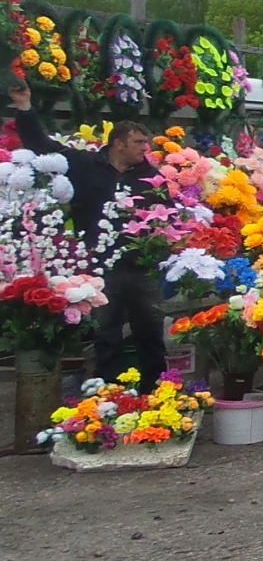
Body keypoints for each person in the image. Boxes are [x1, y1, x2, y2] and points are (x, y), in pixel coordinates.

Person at [8, 81, 162, 381]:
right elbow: (41, 145)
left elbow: (165, 215)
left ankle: (156, 388)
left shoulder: (150, 176)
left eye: (146, 143)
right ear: (118, 144)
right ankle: (105, 389)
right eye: (138, 142)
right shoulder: (83, 164)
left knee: (151, 331)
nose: (145, 148)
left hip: (141, 267)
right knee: (106, 332)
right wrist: (25, 106)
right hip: (99, 266)